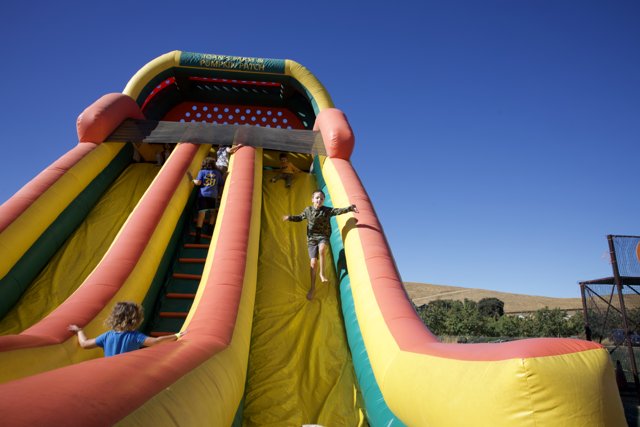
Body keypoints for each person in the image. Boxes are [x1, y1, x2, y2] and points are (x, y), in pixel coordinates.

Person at [283, 190, 358, 300]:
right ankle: (312, 288)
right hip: (311, 239)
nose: (319, 200)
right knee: (313, 262)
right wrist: (289, 217)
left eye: (322, 198)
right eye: (317, 198)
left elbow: (338, 211)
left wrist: (350, 208)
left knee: (322, 249)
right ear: (312, 199)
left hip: (323, 235)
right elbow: (300, 217)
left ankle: (322, 274)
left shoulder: (327, 210)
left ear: (323, 201)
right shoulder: (308, 210)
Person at [68, 301, 184, 357]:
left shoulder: (107, 335)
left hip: (106, 372)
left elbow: (84, 344)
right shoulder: (134, 336)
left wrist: (79, 331)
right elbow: (156, 341)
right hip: (125, 372)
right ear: (135, 320)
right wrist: (177, 335)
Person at [192, 156, 224, 243]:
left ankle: (197, 237)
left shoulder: (202, 172)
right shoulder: (217, 173)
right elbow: (221, 183)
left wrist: (192, 179)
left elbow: (198, 183)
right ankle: (210, 230)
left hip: (203, 195)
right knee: (212, 213)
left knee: (201, 215)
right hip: (213, 195)